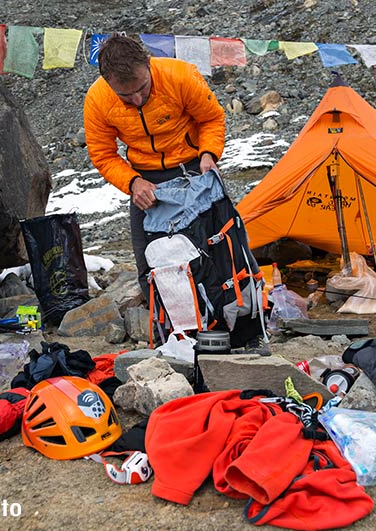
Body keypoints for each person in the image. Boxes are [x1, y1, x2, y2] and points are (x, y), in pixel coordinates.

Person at [84, 35, 267, 353]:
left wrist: (209, 153)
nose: (138, 99)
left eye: (142, 87)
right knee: (151, 262)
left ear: (149, 65)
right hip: (146, 183)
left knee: (221, 250)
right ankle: (176, 335)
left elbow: (211, 118)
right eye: (126, 95)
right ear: (108, 83)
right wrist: (132, 183)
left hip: (194, 170)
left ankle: (242, 331)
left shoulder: (180, 76)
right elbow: (103, 154)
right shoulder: (98, 100)